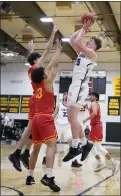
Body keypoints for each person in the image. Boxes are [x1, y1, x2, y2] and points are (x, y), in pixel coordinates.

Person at [8, 22, 58, 172]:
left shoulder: (31, 69)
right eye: (39, 57)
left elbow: (35, 56)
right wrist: (53, 33)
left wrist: (31, 50)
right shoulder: (35, 68)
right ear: (36, 60)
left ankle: (23, 152)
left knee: (32, 128)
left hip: (36, 98)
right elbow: (48, 49)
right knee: (30, 127)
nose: (42, 58)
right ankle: (17, 153)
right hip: (37, 100)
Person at [63, 20, 102, 162]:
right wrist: (82, 28)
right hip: (75, 85)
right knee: (71, 118)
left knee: (72, 117)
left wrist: (84, 30)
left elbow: (78, 42)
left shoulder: (92, 54)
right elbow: (73, 39)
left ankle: (75, 146)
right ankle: (85, 144)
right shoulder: (81, 53)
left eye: (90, 41)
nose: (88, 42)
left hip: (80, 85)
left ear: (94, 46)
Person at [25, 39, 61, 192]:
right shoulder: (47, 84)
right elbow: (55, 65)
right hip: (46, 117)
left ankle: (30, 175)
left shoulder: (36, 83)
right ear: (44, 75)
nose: (47, 71)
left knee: (36, 149)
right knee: (52, 145)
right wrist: (58, 50)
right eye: (45, 72)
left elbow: (49, 67)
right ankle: (49, 175)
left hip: (36, 118)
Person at [83, 92, 120, 175]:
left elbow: (95, 113)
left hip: (96, 126)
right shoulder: (95, 104)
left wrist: (85, 119)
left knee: (90, 146)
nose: (90, 96)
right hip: (97, 126)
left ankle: (101, 162)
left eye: (92, 95)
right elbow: (94, 112)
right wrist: (88, 109)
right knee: (98, 147)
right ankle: (114, 162)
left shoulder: (93, 103)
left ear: (96, 97)